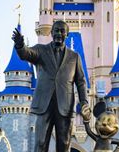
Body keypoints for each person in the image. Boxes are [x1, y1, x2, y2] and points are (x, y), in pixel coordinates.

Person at [12, 20, 91, 152]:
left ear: (67, 34)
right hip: (44, 104)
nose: (59, 33)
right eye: (56, 30)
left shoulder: (74, 57)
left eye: (62, 31)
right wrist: (20, 45)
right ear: (51, 32)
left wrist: (84, 102)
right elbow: (26, 53)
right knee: (40, 143)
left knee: (64, 144)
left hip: (65, 106)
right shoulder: (41, 50)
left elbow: (81, 81)